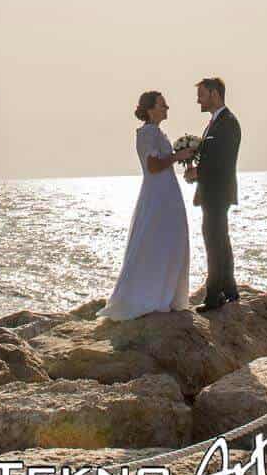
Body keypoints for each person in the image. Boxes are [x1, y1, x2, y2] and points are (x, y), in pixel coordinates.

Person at [101, 91, 193, 320]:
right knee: (155, 239)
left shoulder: (157, 132)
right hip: (158, 193)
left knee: (170, 239)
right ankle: (150, 295)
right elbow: (152, 166)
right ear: (150, 109)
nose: (167, 108)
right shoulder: (147, 133)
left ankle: (167, 293)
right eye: (162, 105)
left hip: (167, 191)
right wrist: (177, 156)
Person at [186, 77, 241, 311]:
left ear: (214, 94)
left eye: (201, 94)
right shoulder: (215, 122)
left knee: (215, 242)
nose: (198, 100)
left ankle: (213, 296)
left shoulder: (227, 122)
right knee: (219, 240)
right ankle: (229, 290)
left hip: (218, 191)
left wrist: (198, 172)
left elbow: (222, 160)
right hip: (212, 191)